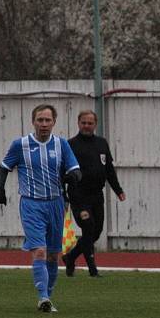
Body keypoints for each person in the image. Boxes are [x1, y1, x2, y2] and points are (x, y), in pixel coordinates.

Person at [0, 104, 80, 313]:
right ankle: (42, 297)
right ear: (33, 122)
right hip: (31, 204)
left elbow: (76, 171)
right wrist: (0, 191)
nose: (43, 124)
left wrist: (70, 177)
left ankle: (48, 297)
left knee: (52, 255)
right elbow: (4, 167)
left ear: (54, 122)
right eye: (40, 120)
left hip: (56, 203)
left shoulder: (61, 145)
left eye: (47, 120)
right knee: (39, 251)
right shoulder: (20, 145)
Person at [62, 110, 125, 278]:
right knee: (88, 227)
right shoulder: (70, 145)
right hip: (79, 195)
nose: (86, 126)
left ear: (95, 125)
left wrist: (118, 190)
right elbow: (62, 171)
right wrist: (64, 194)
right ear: (78, 123)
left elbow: (109, 169)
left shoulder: (102, 143)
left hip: (97, 195)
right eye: (84, 122)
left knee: (96, 232)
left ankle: (70, 257)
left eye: (90, 123)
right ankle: (92, 269)